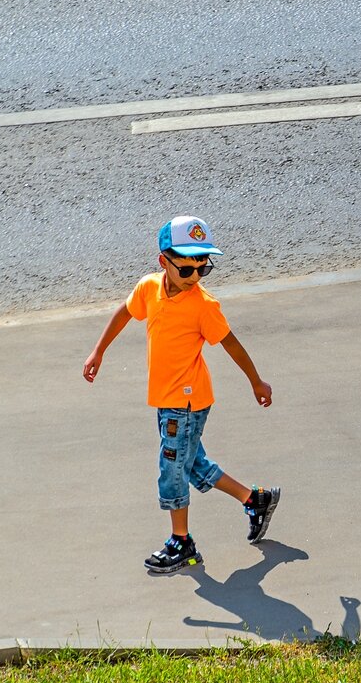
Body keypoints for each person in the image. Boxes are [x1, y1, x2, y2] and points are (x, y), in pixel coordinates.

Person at [83, 215, 280, 573]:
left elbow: (231, 344)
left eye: (203, 269)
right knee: (192, 463)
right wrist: (99, 351)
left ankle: (182, 544)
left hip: (187, 401)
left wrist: (256, 381)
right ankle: (256, 500)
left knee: (171, 468)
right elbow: (124, 314)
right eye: (187, 270)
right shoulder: (149, 289)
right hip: (165, 397)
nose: (195, 277)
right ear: (164, 261)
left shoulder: (203, 305)